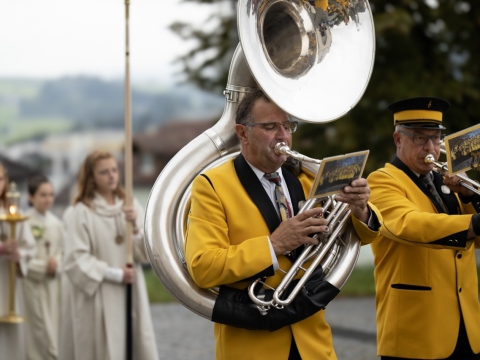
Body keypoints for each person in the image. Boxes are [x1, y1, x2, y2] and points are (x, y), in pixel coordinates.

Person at [185, 89, 382, 359]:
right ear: (242, 133)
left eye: (288, 126)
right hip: (252, 344)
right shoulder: (212, 186)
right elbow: (203, 267)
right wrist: (274, 244)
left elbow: (361, 236)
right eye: (270, 127)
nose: (283, 136)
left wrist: (360, 208)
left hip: (313, 343)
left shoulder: (306, 180)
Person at [367, 96, 480, 359]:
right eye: (419, 138)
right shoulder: (382, 181)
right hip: (415, 331)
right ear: (398, 139)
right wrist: (474, 222)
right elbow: (410, 225)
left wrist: (469, 196)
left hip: (467, 328)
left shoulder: (447, 180)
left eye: (435, 138)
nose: (430, 147)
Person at [59, 150, 158, 360]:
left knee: (133, 344)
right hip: (100, 293)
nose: (112, 175)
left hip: (131, 290)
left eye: (114, 170)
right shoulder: (81, 211)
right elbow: (75, 259)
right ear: (92, 178)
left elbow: (145, 253)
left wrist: (136, 229)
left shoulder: (129, 205)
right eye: (104, 172)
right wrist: (116, 274)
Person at [22, 174, 63, 360]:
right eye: (43, 194)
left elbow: (63, 250)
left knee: (53, 329)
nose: (48, 199)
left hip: (51, 286)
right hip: (31, 285)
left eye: (51, 194)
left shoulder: (57, 224)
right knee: (36, 332)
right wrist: (41, 266)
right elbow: (21, 256)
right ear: (31, 197)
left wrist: (57, 263)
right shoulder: (23, 222)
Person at [0, 163, 35, 360]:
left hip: (9, 284)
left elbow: (29, 246)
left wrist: (19, 254)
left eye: (0, 179)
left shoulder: (11, 210)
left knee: (10, 345)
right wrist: (2, 249)